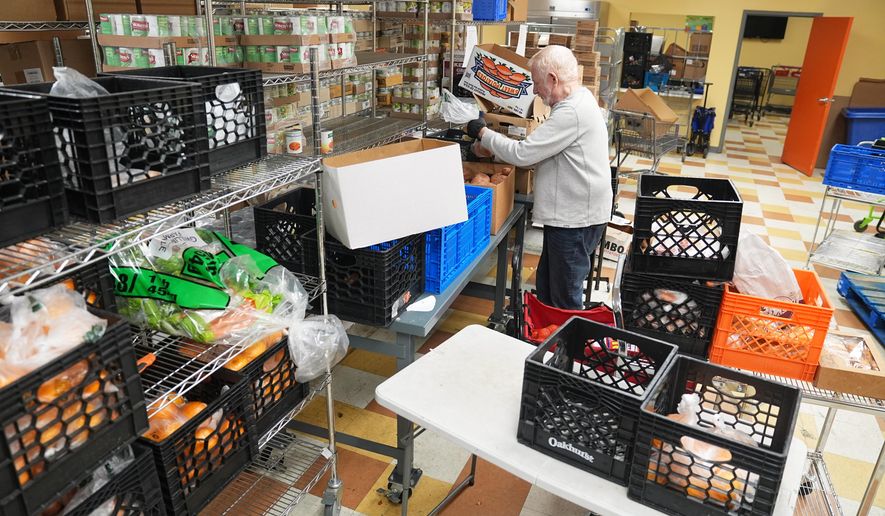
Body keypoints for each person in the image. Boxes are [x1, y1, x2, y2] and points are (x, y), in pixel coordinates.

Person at [466, 45, 612, 310]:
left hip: (576, 220)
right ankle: (548, 342)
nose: (534, 90)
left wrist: (484, 134)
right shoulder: (580, 100)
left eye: (536, 82)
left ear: (553, 79)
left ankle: (566, 347)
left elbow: (524, 155)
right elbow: (543, 150)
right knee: (548, 287)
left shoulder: (572, 112)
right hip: (575, 216)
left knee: (564, 297)